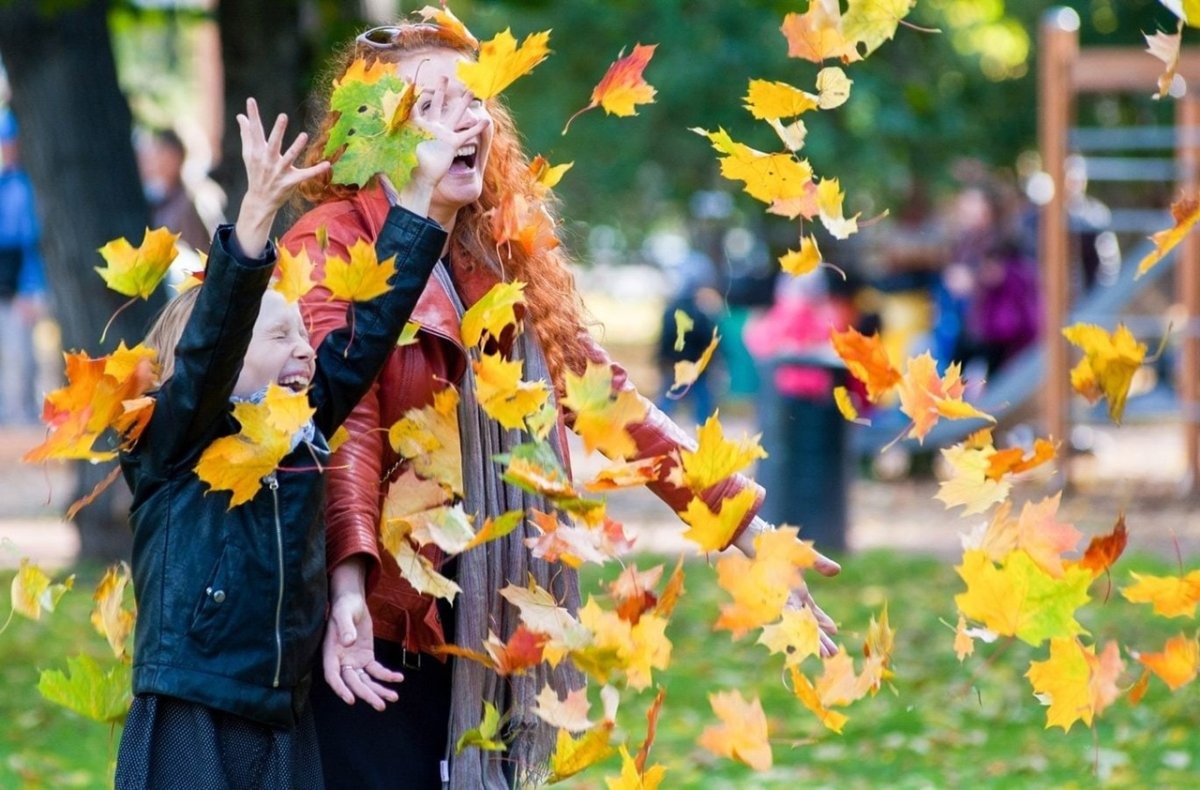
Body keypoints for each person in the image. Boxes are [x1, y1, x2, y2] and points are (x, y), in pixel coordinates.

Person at [283, 18, 841, 789]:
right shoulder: (329, 244)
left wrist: (743, 524)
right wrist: (348, 580)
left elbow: (603, 398)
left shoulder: (493, 249)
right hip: (373, 620)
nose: (468, 121)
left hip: (480, 614)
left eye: (474, 100)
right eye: (436, 104)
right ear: (378, 133)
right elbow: (342, 424)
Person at [114, 91, 463, 788]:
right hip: (196, 703)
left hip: (282, 712)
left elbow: (367, 334)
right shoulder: (175, 434)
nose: (305, 346)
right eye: (281, 335)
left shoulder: (299, 433)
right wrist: (253, 218)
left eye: (303, 332)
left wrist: (422, 195)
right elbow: (213, 343)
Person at [0, 107, 47, 424]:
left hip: (24, 285)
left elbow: (33, 243)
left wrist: (33, 288)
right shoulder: (6, 183)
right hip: (6, 284)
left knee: (22, 358)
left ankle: (23, 422)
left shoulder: (32, 185)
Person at [137, 127, 211, 252]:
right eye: (157, 152)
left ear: (178, 156)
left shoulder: (191, 201)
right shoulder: (159, 199)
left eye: (163, 153)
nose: (157, 160)